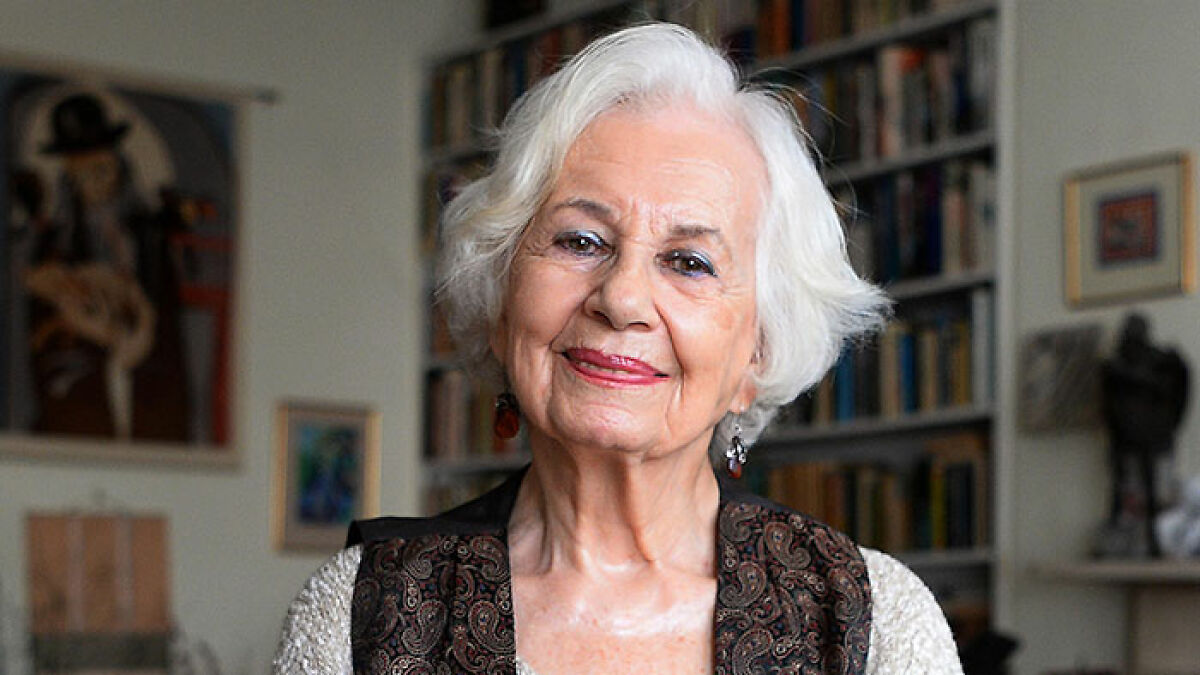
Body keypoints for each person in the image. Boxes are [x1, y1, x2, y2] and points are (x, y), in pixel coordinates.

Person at [274, 23, 962, 674]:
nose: (622, 299)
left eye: (690, 261)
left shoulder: (869, 619)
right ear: (499, 295)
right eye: (580, 240)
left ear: (759, 351)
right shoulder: (366, 607)